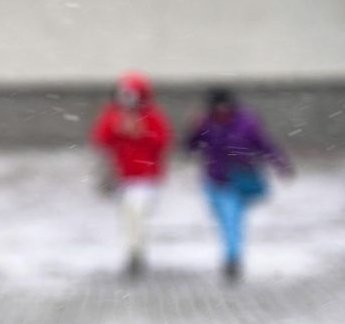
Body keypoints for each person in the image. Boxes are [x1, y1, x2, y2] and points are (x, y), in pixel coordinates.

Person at [186, 88, 293, 282]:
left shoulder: (246, 123)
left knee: (232, 220)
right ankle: (232, 254)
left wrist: (281, 164)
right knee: (226, 221)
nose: (222, 112)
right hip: (213, 181)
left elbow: (264, 144)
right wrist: (194, 129)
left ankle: (232, 258)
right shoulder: (206, 123)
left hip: (237, 180)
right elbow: (190, 147)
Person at [91, 71, 172, 278]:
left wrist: (142, 133)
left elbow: (162, 141)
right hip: (121, 177)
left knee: (138, 213)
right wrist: (118, 129)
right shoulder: (113, 115)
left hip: (145, 177)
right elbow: (100, 139)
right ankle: (132, 251)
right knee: (127, 216)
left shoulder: (151, 116)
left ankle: (137, 250)